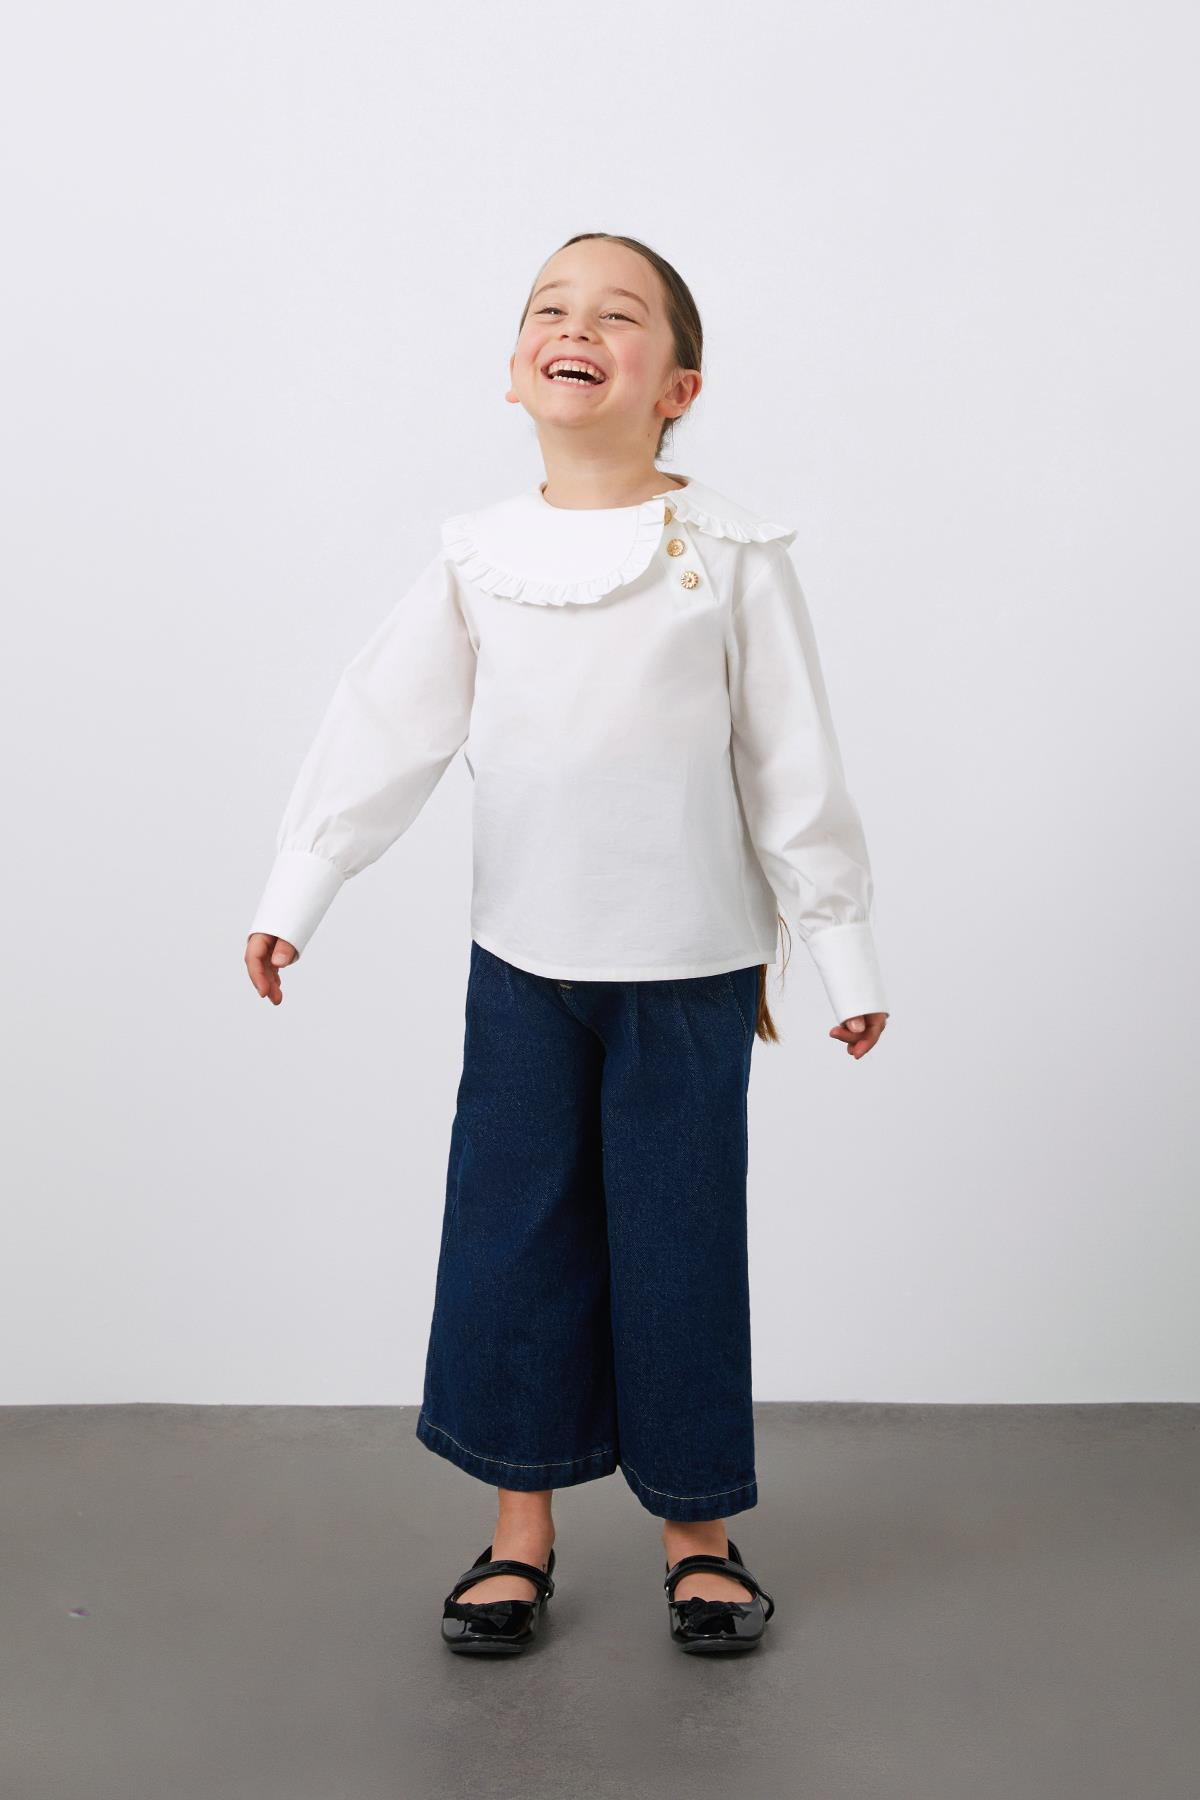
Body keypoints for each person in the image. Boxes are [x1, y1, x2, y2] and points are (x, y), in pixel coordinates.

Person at [245, 231, 890, 1656]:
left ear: (680, 386)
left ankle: (698, 1531)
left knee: (678, 1242)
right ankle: (518, 1529)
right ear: (514, 370)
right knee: (513, 1233)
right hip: (525, 964)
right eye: (550, 307)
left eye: (618, 314)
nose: (576, 326)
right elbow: (385, 727)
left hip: (691, 967)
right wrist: (301, 888)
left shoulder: (730, 554)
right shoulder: (478, 558)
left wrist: (839, 947)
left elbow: (791, 761)